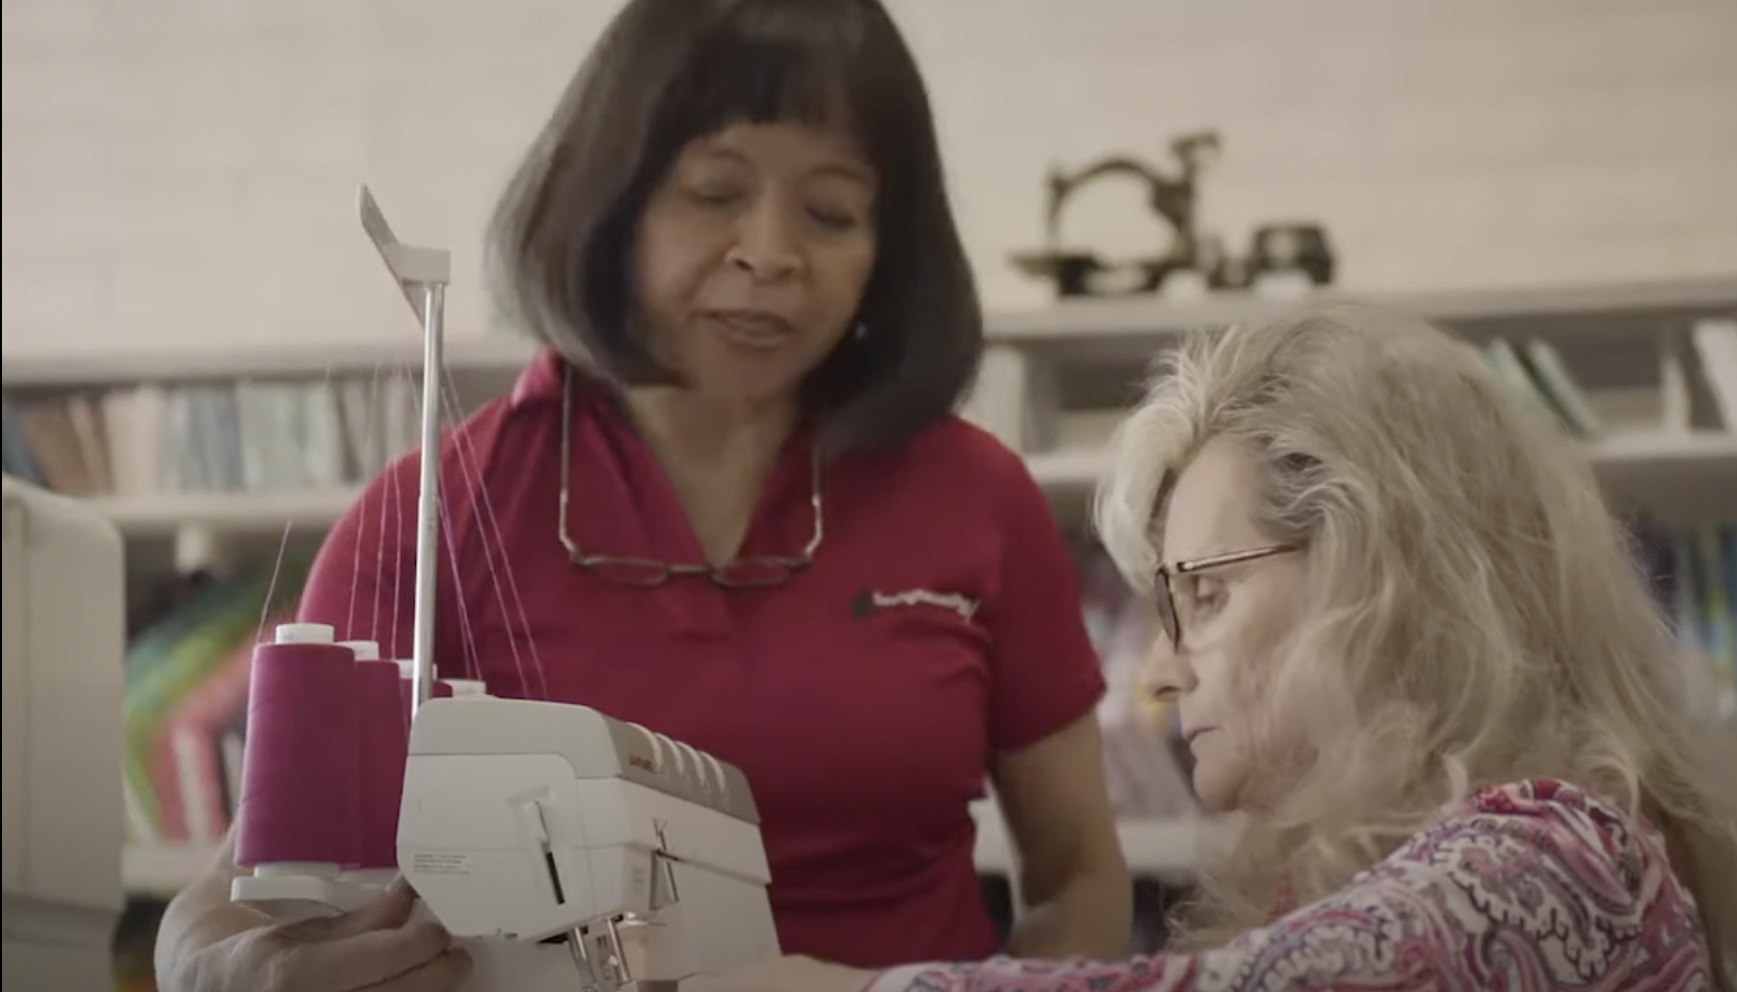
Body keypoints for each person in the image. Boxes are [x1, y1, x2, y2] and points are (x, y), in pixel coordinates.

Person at [152, 1, 1132, 988]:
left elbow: (1077, 872)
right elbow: (240, 891)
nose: (769, 252)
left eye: (829, 212)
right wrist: (226, 968)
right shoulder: (433, 511)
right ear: (608, 204)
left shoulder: (977, 499)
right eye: (713, 193)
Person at [689, 302, 1737, 992]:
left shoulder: (1567, 863)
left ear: (1384, 574)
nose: (1159, 669)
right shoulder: (1372, 874)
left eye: (1204, 594)